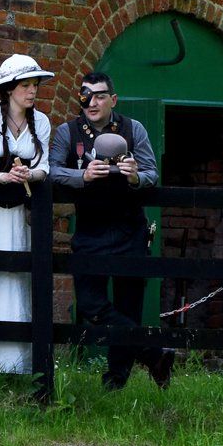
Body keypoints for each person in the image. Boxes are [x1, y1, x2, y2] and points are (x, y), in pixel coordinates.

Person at [48, 71, 175, 390]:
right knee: (90, 304)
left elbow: (152, 173)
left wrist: (135, 176)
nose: (92, 102)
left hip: (130, 229)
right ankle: (154, 353)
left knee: (128, 307)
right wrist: (82, 176)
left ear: (113, 100)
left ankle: (115, 382)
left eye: (100, 96)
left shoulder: (134, 129)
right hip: (90, 230)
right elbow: (51, 172)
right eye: (86, 96)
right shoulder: (68, 132)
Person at [0, 53, 54, 375]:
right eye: (25, 85)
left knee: (23, 277)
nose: (32, 91)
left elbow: (44, 167)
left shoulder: (41, 122)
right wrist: (5, 177)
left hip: (26, 213)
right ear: (9, 89)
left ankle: (23, 363)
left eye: (35, 85)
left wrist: (29, 174)